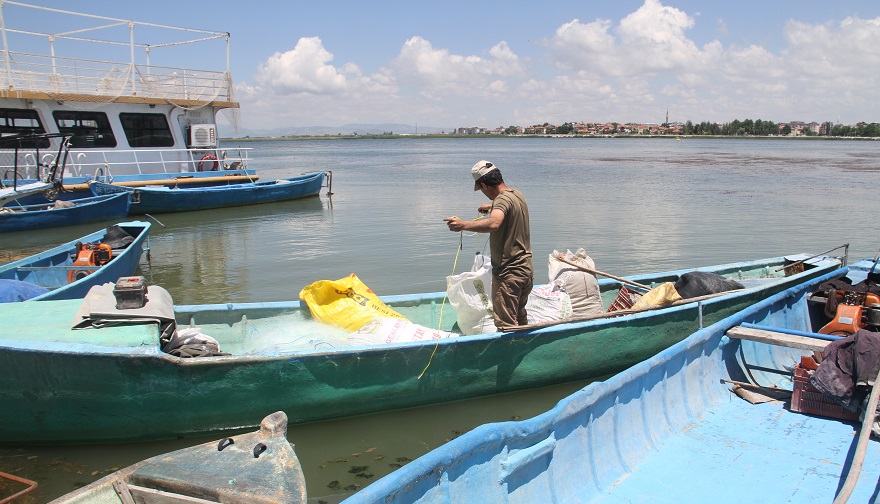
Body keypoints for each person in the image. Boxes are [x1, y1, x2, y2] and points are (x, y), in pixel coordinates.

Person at [444, 160, 533, 330]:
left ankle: (507, 355)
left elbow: (494, 224)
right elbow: (506, 208)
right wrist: (492, 207)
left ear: (484, 185)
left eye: (481, 190)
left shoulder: (501, 201)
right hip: (526, 269)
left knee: (506, 325)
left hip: (509, 273)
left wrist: (463, 225)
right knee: (520, 317)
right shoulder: (517, 195)